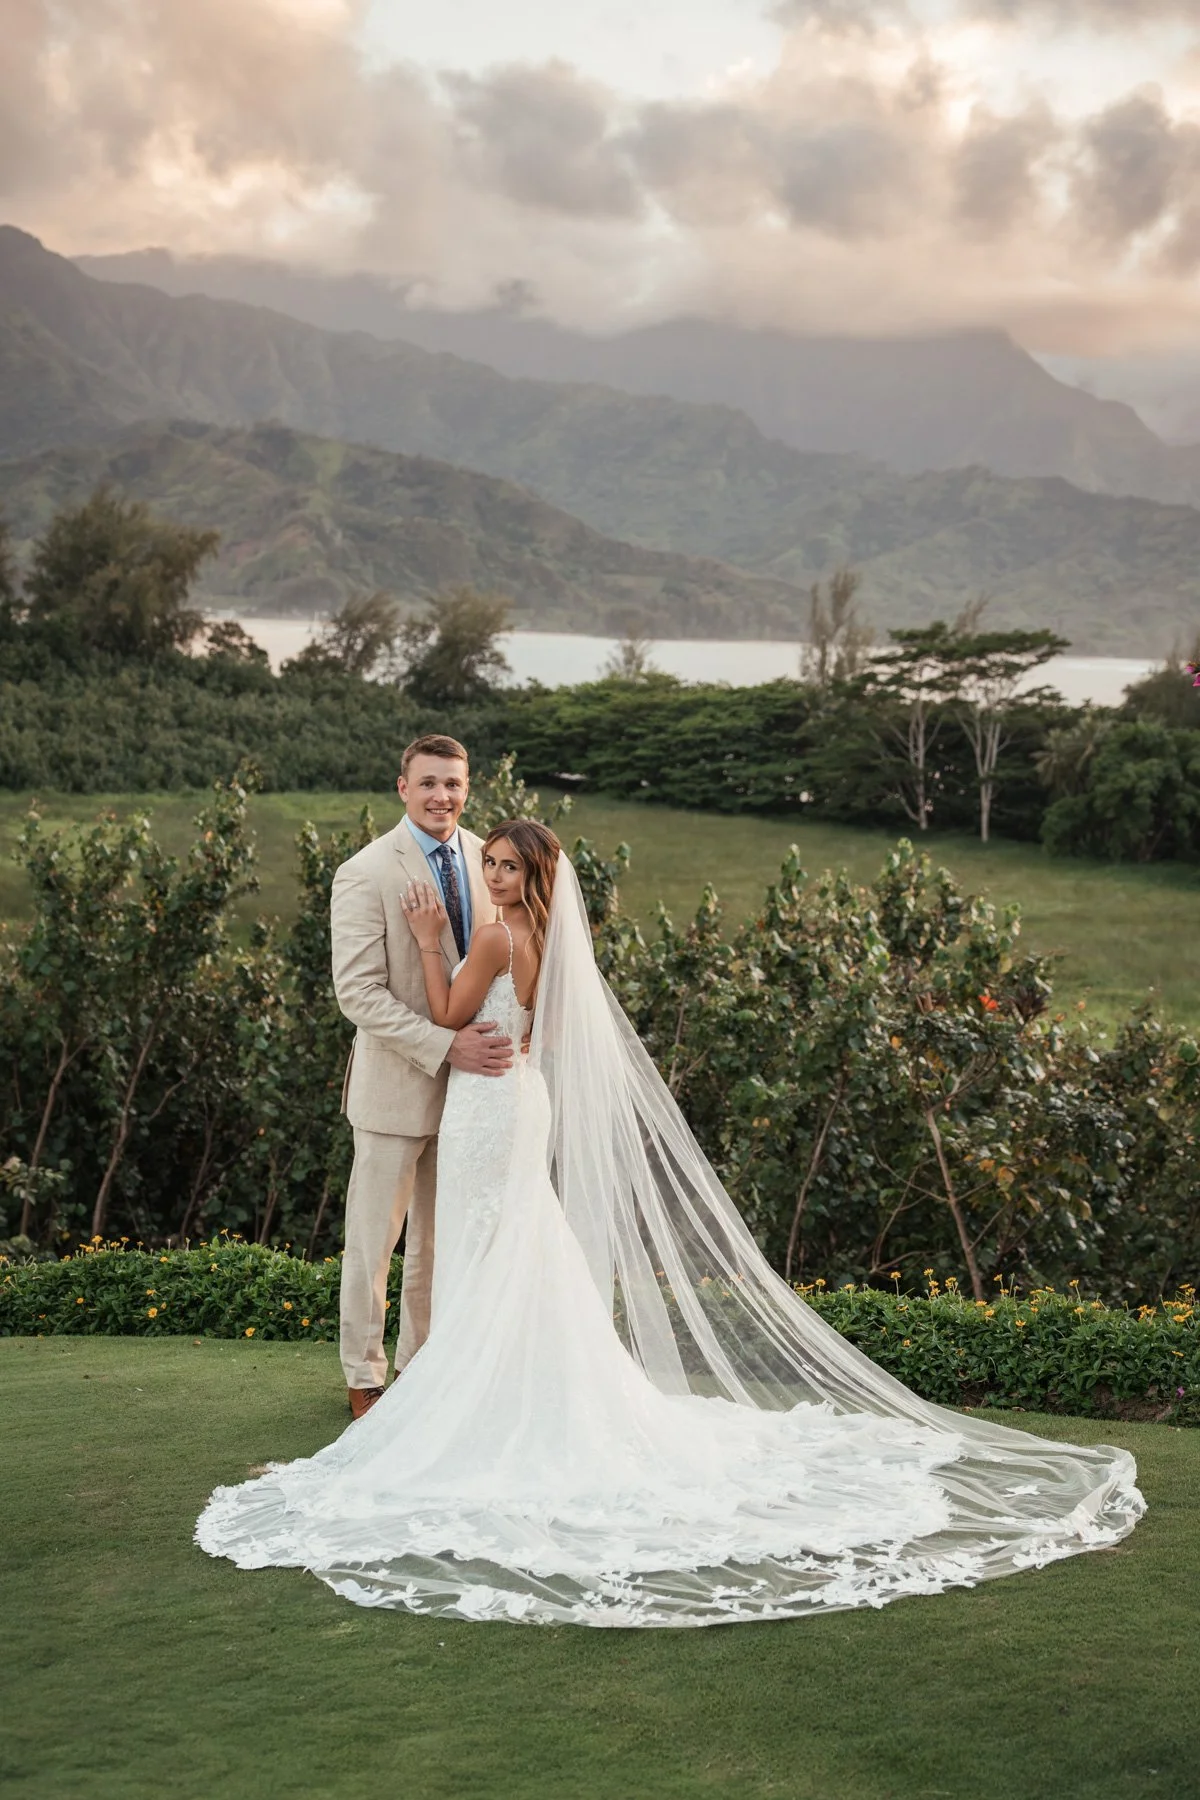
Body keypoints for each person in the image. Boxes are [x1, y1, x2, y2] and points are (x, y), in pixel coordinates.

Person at [197, 823, 1145, 1628]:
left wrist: (442, 933)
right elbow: (547, 1035)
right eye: (488, 865)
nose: (493, 878)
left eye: (506, 870)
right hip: (521, 1097)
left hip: (485, 1107)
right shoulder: (549, 941)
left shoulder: (490, 940)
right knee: (516, 1245)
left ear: (531, 879)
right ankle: (494, 1382)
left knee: (485, 1251)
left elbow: (446, 1011)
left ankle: (470, 1398)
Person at [329, 733, 511, 1420]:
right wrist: (444, 1047)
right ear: (402, 787)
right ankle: (365, 1378)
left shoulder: (485, 860)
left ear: (468, 789)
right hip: (395, 1090)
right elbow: (360, 994)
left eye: (454, 784)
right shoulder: (367, 870)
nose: (443, 796)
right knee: (373, 1245)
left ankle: (421, 1370)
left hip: (472, 1096)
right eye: (429, 783)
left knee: (436, 1245)